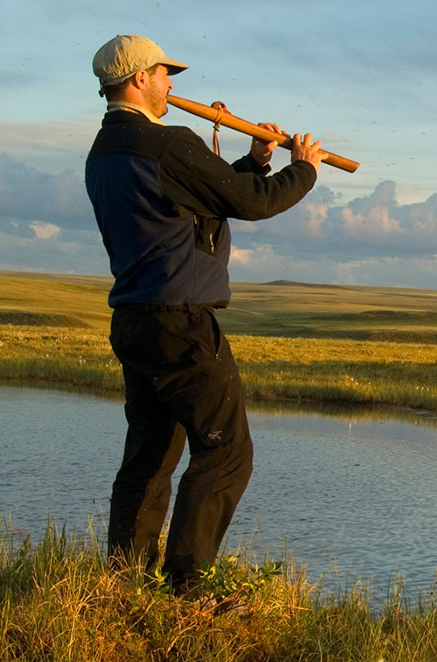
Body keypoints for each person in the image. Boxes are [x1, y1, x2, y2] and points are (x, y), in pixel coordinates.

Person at [84, 34, 325, 593]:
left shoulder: (107, 151)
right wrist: (303, 169)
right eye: (166, 75)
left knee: (149, 457)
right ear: (140, 78)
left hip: (136, 322)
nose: (171, 85)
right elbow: (250, 203)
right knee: (226, 453)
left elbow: (198, 200)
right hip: (183, 324)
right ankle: (188, 586)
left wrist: (254, 159)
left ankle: (125, 583)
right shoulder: (168, 144)